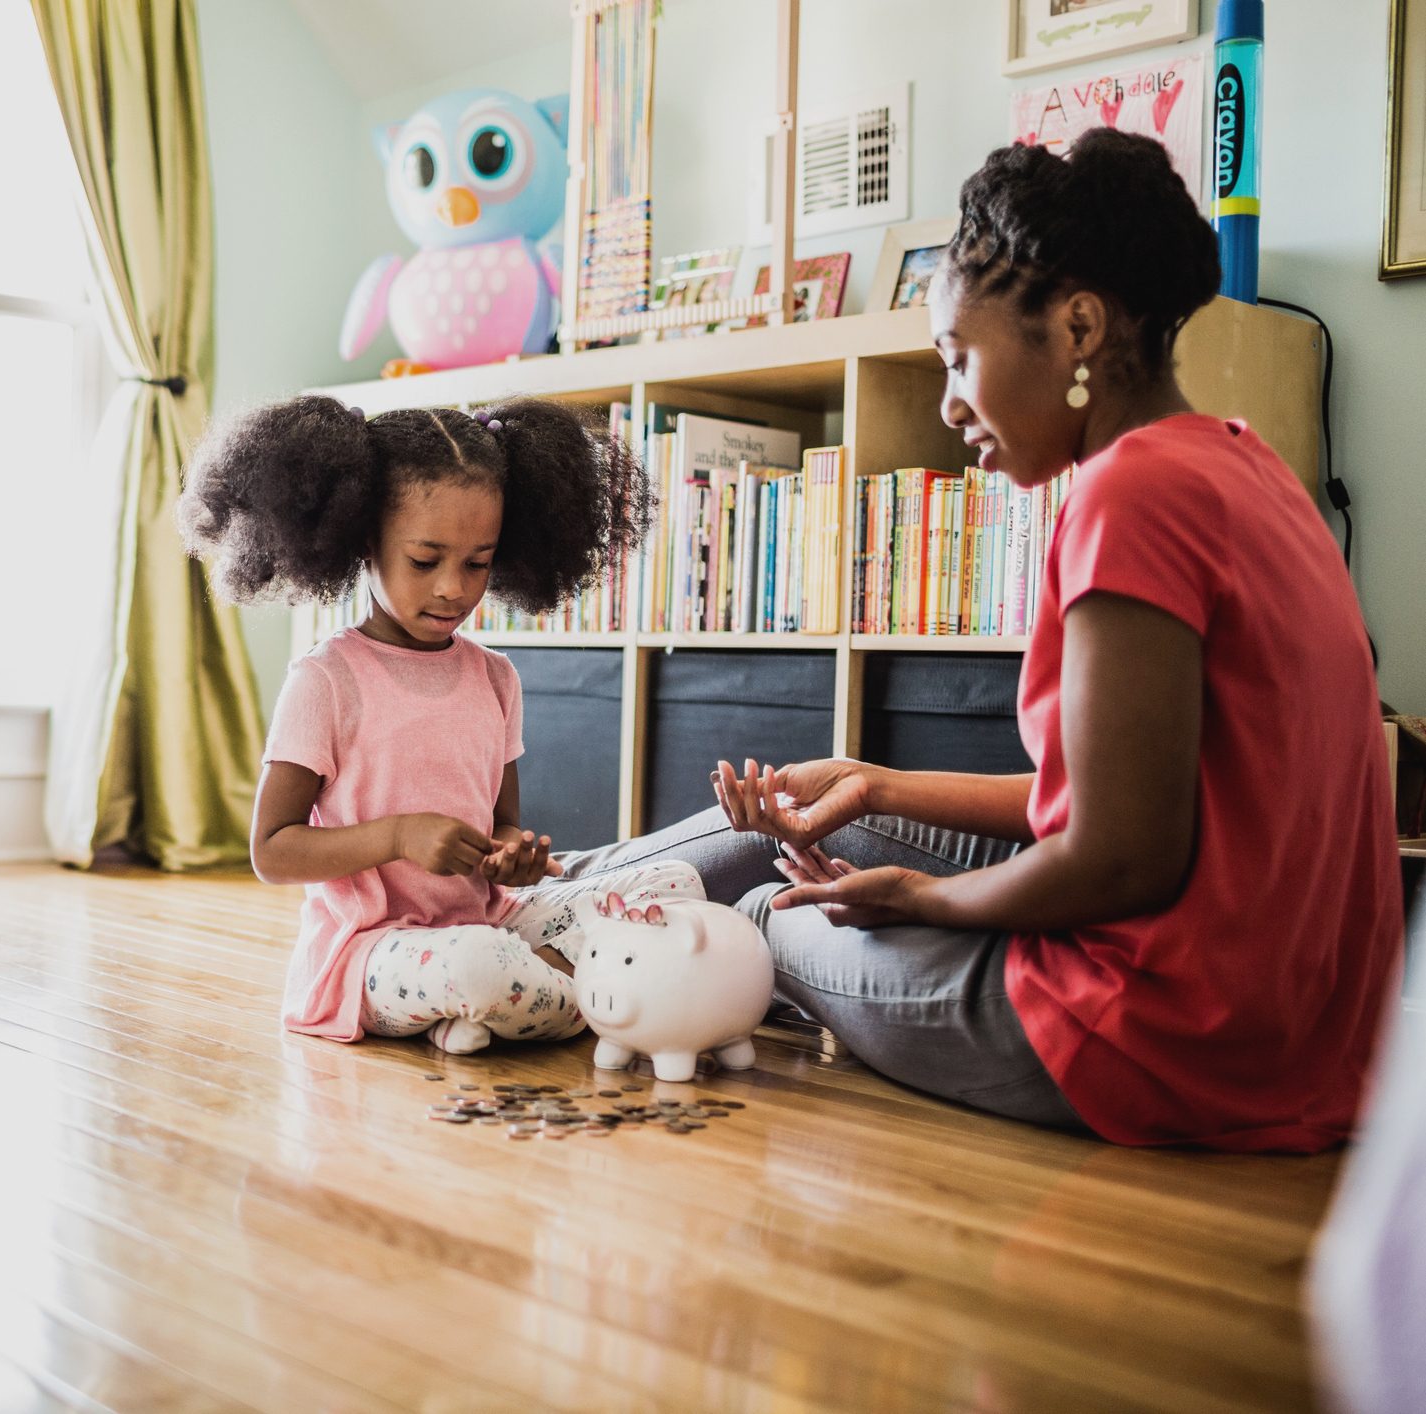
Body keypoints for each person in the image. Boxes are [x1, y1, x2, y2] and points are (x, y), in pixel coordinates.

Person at [562, 131, 1403, 1150]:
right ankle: (558, 894)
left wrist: (923, 897)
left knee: (780, 917)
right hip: (1305, 1031)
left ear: (1079, 325)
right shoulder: (1248, 469)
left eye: (960, 358)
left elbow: (1122, 860)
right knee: (801, 817)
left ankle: (554, 922)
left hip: (1164, 1037)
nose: (951, 402)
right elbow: (1135, 803)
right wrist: (876, 784)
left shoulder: (1132, 496)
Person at [178, 395, 700, 1053]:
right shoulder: (325, 680)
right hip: (373, 953)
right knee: (480, 967)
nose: (453, 588)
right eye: (425, 561)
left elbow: (501, 822)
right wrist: (398, 836)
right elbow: (272, 851)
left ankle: (522, 1004)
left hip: (491, 920)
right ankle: (610, 1000)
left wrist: (512, 856)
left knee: (677, 884)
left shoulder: (494, 678)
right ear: (360, 540)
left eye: (476, 562)